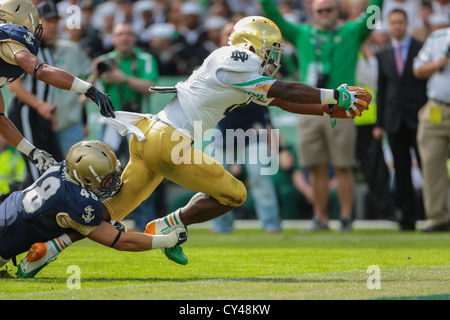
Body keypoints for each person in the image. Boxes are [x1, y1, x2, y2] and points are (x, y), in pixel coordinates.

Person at [24, 16, 369, 274]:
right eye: (271, 49)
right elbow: (287, 91)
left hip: (152, 138)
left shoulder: (242, 71)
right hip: (167, 141)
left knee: (108, 213)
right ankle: (169, 223)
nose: (273, 57)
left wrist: (328, 108)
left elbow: (280, 101)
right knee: (235, 195)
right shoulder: (236, 58)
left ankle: (47, 248)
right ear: (253, 44)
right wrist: (333, 94)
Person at [259, 0, 383, 232]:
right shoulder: (303, 33)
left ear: (338, 11)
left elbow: (373, 15)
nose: (325, 14)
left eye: (329, 9)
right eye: (320, 10)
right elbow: (275, 17)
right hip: (309, 109)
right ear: (312, 12)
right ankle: (320, 218)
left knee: (343, 165)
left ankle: (345, 217)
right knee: (314, 166)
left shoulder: (351, 31)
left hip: (342, 108)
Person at [0, 139, 185, 278]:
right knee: (99, 226)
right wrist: (168, 240)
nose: (114, 182)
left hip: (6, 212)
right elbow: (122, 242)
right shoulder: (79, 202)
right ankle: (48, 250)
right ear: (87, 179)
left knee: (89, 223)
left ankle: (49, 249)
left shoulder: (64, 167)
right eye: (107, 178)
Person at [0, 0, 114, 185]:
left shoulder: (53, 48)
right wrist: (88, 89)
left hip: (42, 117)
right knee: (42, 179)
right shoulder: (12, 41)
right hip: (30, 111)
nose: (40, 28)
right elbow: (41, 71)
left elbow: (0, 117)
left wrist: (30, 151)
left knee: (54, 171)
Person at [374, 8, 428, 231]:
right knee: (402, 170)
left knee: (428, 168)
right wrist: (379, 124)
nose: (397, 26)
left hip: (419, 117)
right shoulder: (383, 53)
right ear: (389, 25)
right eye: (393, 22)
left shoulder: (420, 48)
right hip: (394, 120)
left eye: (400, 22)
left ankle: (437, 213)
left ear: (406, 24)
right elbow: (381, 89)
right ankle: (408, 218)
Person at [93, 21, 158, 166]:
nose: (125, 38)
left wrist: (123, 79)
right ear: (113, 39)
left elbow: (150, 88)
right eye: (120, 34)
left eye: (129, 34)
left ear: (135, 38)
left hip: (139, 120)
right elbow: (94, 94)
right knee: (106, 165)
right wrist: (97, 76)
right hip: (111, 120)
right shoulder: (104, 61)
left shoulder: (146, 59)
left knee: (142, 166)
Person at [413, 24, 450, 232]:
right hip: (437, 107)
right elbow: (417, 69)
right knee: (432, 163)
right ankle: (437, 219)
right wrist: (437, 64)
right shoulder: (438, 37)